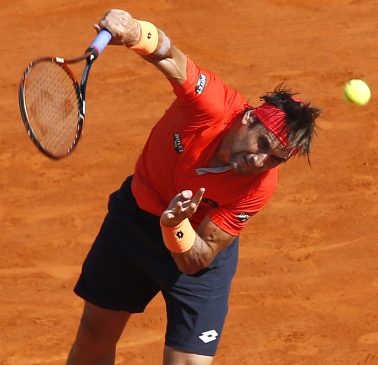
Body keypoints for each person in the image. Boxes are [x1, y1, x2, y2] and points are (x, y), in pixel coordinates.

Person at [66, 9, 321, 365]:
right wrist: (134, 30)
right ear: (248, 118)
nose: (260, 161)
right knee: (94, 338)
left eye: (276, 159)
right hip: (134, 219)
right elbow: (168, 55)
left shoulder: (259, 186)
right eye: (262, 144)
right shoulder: (212, 105)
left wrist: (175, 227)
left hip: (194, 239)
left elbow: (198, 259)